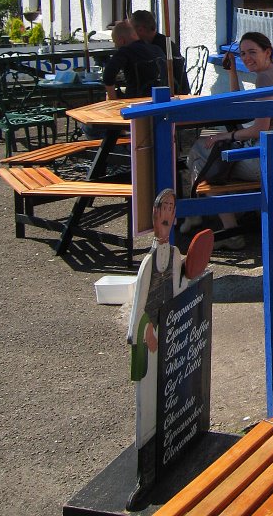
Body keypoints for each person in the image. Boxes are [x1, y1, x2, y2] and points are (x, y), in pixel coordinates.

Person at [182, 31, 273, 249]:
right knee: (206, 146)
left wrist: (225, 135)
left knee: (201, 157)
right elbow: (240, 104)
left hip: (268, 160)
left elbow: (259, 129)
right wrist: (233, 71)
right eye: (243, 53)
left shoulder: (265, 79)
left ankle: (229, 232)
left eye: (252, 52)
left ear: (268, 52)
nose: (247, 57)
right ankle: (201, 210)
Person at [126, 188, 185, 509]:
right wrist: (146, 328)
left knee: (167, 397)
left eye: (173, 208)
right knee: (147, 405)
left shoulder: (175, 257)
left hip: (167, 337)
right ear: (155, 214)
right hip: (149, 341)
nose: (168, 214)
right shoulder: (149, 263)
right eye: (164, 207)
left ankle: (166, 458)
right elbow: (138, 308)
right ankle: (145, 477)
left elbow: (178, 290)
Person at [129, 9, 190, 94]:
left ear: (140, 30)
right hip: (179, 89)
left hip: (170, 94)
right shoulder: (164, 41)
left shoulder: (156, 47)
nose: (130, 33)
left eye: (131, 29)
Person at [102, 20, 167, 99]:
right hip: (159, 98)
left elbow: (108, 75)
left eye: (115, 42)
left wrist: (112, 99)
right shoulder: (157, 49)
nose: (116, 46)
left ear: (122, 40)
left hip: (135, 100)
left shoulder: (125, 51)